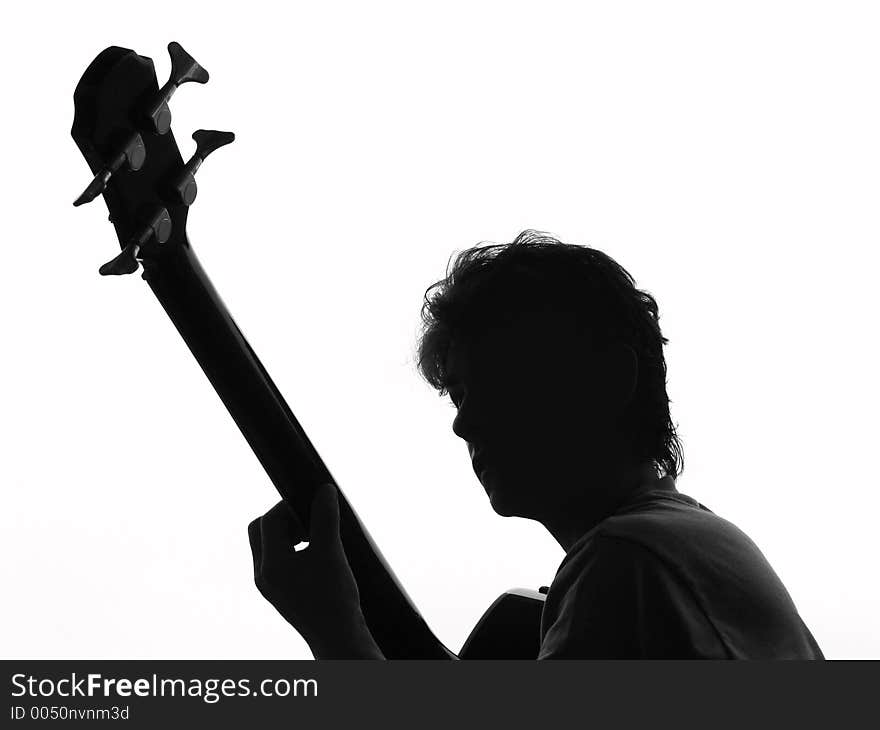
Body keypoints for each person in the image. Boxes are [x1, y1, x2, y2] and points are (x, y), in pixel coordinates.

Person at [248, 230, 824, 659]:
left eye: (499, 384)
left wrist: (334, 630)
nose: (464, 425)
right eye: (459, 395)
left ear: (609, 380)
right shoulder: (681, 549)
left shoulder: (629, 563)